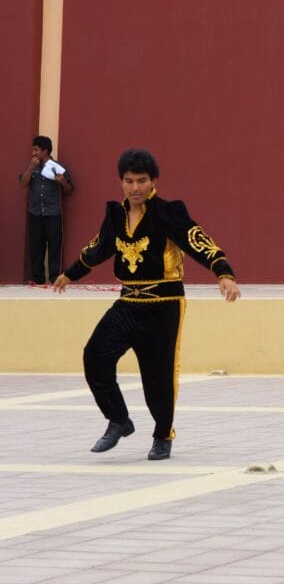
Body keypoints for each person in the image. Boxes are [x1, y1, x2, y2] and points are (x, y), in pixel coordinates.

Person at [52, 148, 241, 460]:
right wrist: (70, 274)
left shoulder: (168, 212)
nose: (135, 187)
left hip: (163, 304)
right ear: (121, 182)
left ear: (153, 181)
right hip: (127, 303)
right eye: (129, 181)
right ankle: (119, 419)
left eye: (142, 181)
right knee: (95, 355)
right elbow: (98, 249)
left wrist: (224, 273)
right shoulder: (116, 215)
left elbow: (198, 241)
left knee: (158, 377)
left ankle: (163, 435)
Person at [19, 135, 74, 284]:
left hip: (53, 213)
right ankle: (38, 279)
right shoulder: (31, 166)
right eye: (33, 150)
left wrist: (62, 182)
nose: (34, 153)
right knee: (36, 246)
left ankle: (55, 278)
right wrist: (30, 168)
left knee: (55, 245)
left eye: (36, 150)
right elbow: (23, 183)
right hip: (35, 212)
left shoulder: (57, 167)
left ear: (45, 151)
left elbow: (69, 190)